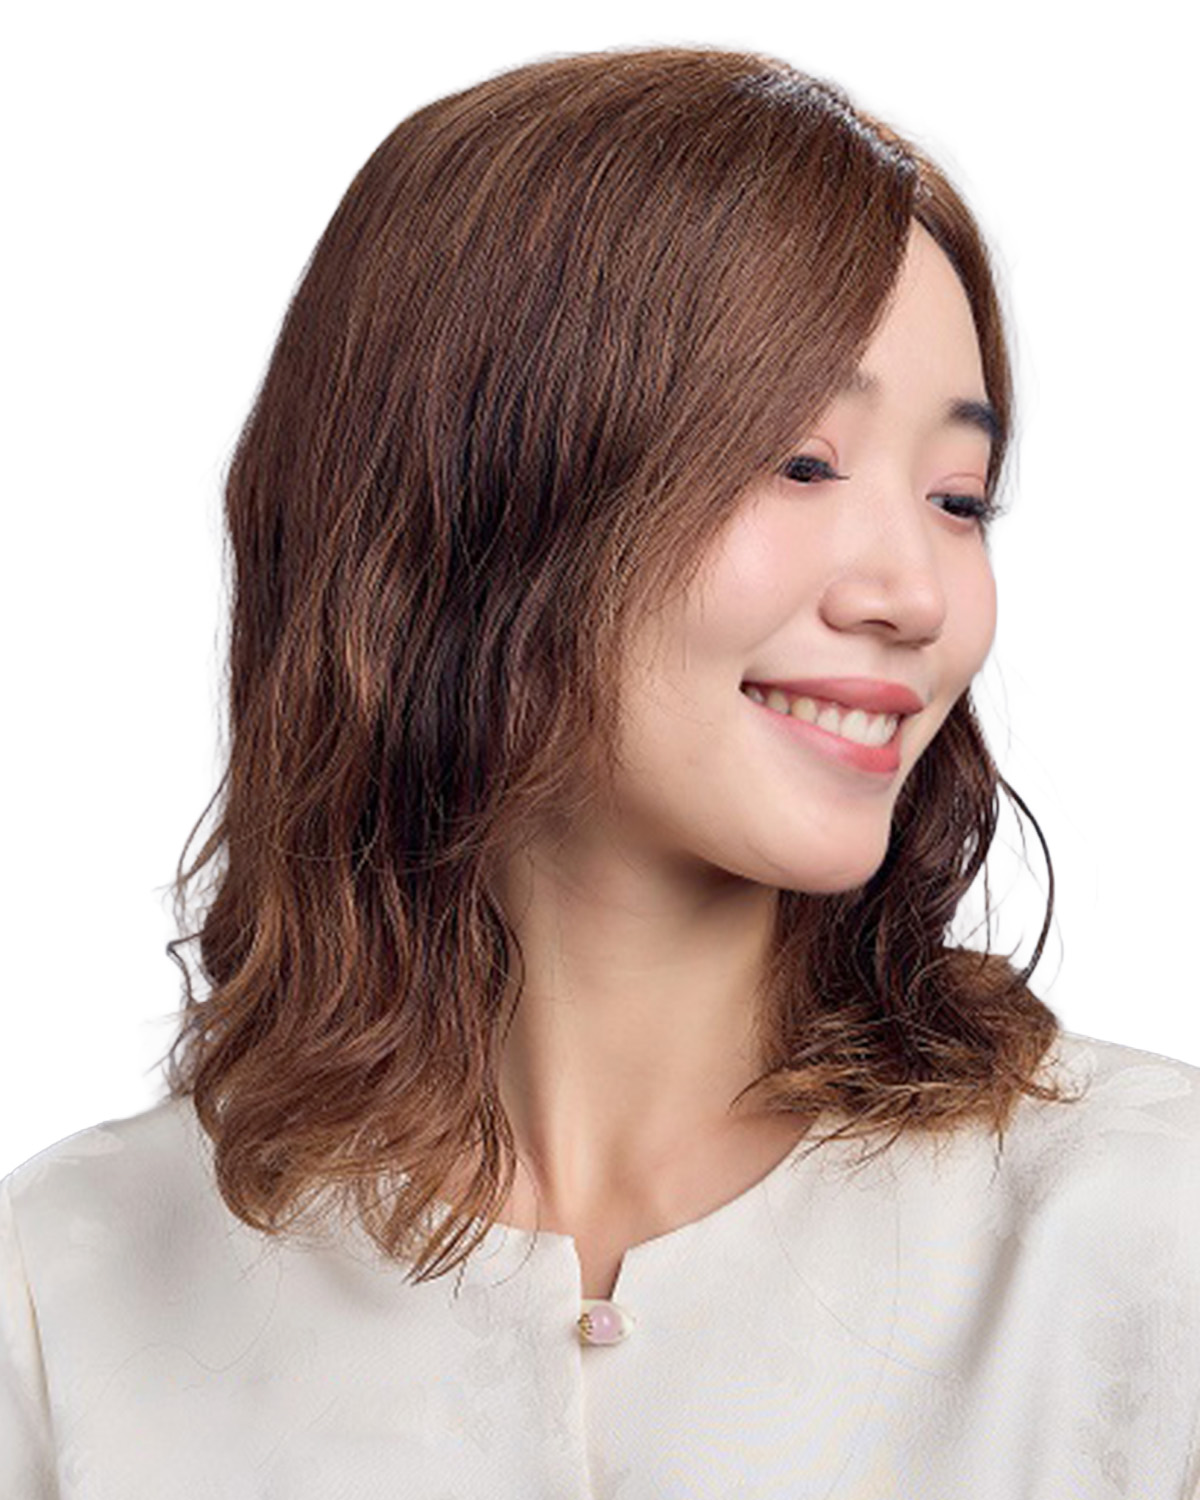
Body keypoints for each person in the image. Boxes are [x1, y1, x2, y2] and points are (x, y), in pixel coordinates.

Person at [2, 42, 1198, 1499]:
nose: (914, 595)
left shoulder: (1149, 1241)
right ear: (472, 496)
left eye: (959, 498)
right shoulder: (67, 1297)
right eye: (800, 464)